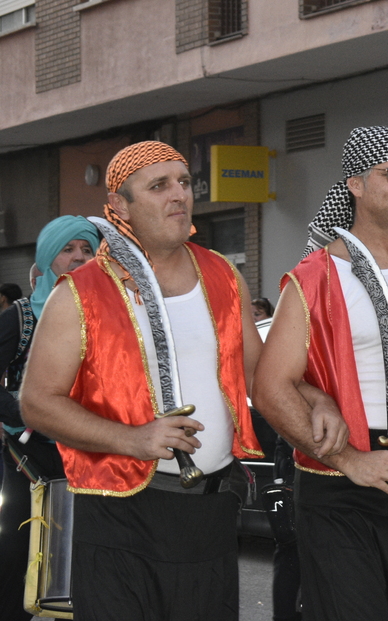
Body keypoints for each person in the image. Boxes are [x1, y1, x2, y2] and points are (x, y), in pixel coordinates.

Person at [21, 141, 263, 621]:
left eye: (184, 182)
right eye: (159, 186)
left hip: (212, 511)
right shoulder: (82, 293)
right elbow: (37, 402)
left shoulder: (222, 274)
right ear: (119, 206)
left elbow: (258, 373)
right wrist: (132, 438)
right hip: (120, 517)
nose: (179, 195)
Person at [253, 126, 388, 621]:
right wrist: (349, 458)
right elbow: (269, 386)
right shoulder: (314, 277)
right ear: (355, 185)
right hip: (338, 477)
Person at [0, 216, 99, 621]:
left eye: (87, 249)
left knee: (88, 569)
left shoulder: (111, 315)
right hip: (29, 460)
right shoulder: (19, 318)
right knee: (17, 561)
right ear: (47, 256)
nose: (78, 258)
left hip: (92, 458)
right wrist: (26, 413)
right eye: (68, 249)